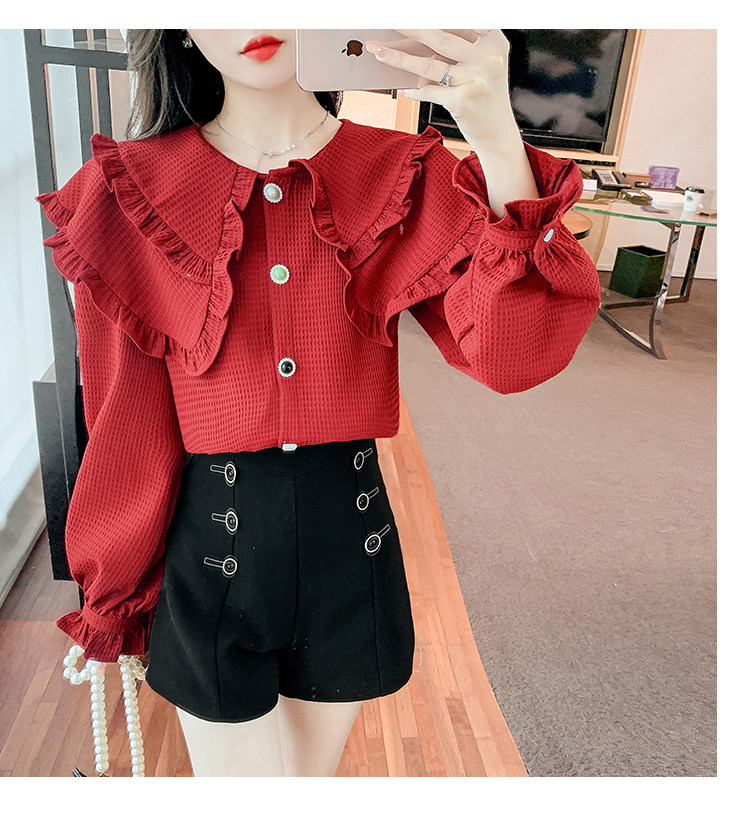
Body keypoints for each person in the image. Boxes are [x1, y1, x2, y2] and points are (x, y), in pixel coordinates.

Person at [36, 28, 601, 777]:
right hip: (213, 552)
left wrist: (496, 136)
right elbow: (124, 421)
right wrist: (113, 589)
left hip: (351, 547)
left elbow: (512, 357)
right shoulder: (129, 192)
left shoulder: (407, 174)